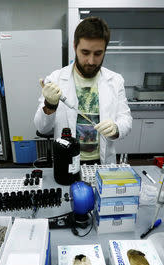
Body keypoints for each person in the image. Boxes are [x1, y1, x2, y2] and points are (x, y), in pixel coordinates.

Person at [34, 16, 132, 164]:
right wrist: (50, 105)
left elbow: (126, 119)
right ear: (75, 47)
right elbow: (41, 128)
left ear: (105, 50)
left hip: (102, 161)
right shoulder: (56, 79)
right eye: (85, 52)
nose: (91, 61)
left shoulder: (115, 80)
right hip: (67, 160)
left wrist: (116, 128)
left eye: (98, 54)